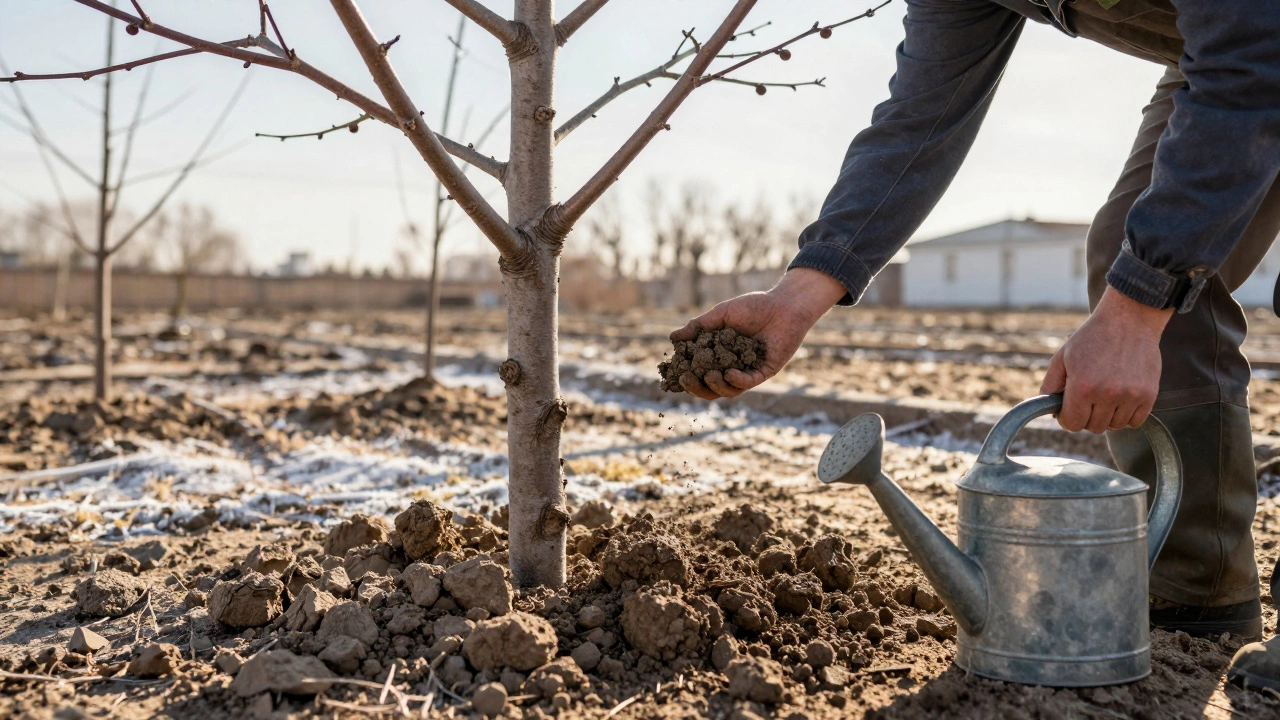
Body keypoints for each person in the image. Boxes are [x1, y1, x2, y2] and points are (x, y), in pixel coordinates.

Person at [671, 0, 1280, 690]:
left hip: (1254, 45)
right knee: (1133, 253)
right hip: (1230, 53)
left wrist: (1136, 312)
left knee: (1147, 281)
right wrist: (799, 294)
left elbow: (1253, 57)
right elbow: (922, 117)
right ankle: (1198, 596)